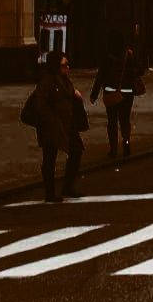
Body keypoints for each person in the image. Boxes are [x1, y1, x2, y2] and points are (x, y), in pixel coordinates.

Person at [25, 50, 87, 202]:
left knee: (76, 150)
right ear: (55, 66)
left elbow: (68, 94)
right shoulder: (47, 81)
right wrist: (51, 120)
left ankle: (67, 186)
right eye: (64, 65)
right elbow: (40, 105)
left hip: (66, 124)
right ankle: (50, 193)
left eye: (67, 65)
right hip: (52, 125)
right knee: (50, 158)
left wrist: (75, 94)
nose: (67, 68)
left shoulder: (64, 80)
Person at [88, 31, 145, 161]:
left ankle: (113, 149)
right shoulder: (129, 55)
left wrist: (94, 94)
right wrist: (131, 73)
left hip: (111, 92)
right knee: (125, 120)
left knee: (112, 121)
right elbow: (141, 70)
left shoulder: (107, 57)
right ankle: (126, 144)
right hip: (127, 93)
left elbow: (100, 76)